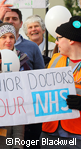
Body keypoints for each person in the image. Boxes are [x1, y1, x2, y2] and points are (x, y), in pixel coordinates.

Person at [40, 16, 81, 148]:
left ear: (71, 40)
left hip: (77, 134)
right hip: (50, 131)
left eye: (58, 38)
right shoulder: (56, 59)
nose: (56, 42)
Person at [0, 0, 45, 70]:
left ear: (21, 24)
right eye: (7, 19)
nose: (11, 21)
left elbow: (40, 72)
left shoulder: (32, 46)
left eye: (14, 19)